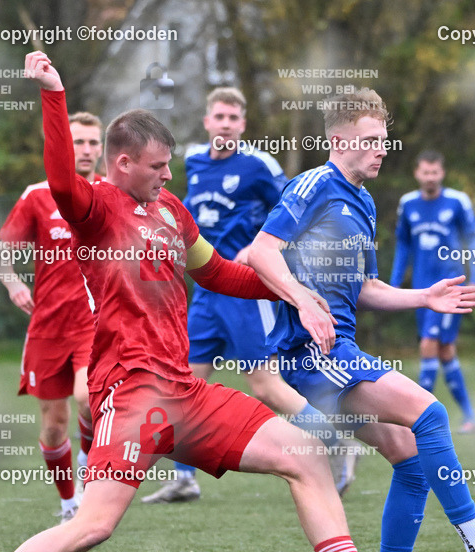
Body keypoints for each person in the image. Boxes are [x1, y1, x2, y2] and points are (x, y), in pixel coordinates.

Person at [0, 51, 440, 552]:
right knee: (92, 526)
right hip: (134, 394)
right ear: (122, 163)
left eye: (170, 165)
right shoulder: (94, 209)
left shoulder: (169, 210)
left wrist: (297, 291)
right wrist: (54, 94)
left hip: (186, 391)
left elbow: (218, 272)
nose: (169, 176)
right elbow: (62, 176)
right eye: (158, 166)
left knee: (305, 454)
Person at [247, 89, 475, 552]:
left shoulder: (363, 202)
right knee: (429, 414)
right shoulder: (315, 185)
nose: (381, 150)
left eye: (384, 140)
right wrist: (304, 303)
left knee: (408, 455)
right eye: (370, 140)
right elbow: (261, 251)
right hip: (309, 351)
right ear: (337, 139)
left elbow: (364, 287)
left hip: (339, 349)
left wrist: (424, 296)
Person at [144, 86, 348, 503]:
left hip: (241, 290)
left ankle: (335, 442)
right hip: (203, 293)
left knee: (265, 386)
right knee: (182, 383)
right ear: (207, 121)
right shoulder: (195, 161)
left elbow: (296, 210)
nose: (225, 124)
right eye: (219, 117)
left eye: (233, 118)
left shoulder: (258, 165)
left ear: (243, 124)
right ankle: (185, 478)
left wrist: (259, 247)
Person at [0, 112, 103, 523]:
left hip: (93, 323)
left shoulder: (110, 194)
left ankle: (90, 459)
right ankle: (68, 503)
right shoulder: (38, 196)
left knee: (88, 398)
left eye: (94, 142)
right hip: (47, 328)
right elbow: (3, 251)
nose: (88, 150)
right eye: (79, 142)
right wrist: (13, 284)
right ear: (63, 145)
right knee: (54, 426)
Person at [390, 151, 475, 433]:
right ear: (417, 174)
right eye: (425, 172)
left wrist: (474, 281)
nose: (430, 177)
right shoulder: (407, 204)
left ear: (442, 173)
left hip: (450, 287)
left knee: (428, 344)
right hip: (421, 288)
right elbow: (403, 245)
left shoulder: (457, 201)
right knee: (444, 351)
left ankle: (416, 419)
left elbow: (473, 241)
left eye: (435, 172)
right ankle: (470, 417)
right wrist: (393, 286)